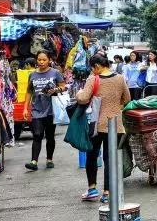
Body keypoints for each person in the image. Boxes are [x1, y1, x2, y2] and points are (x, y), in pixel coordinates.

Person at [76, 54, 131, 203]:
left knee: (92, 156)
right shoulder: (120, 78)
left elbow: (83, 98)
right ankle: (107, 192)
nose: (93, 71)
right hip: (116, 124)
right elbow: (127, 99)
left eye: (93, 68)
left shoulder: (93, 78)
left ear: (97, 66)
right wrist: (116, 107)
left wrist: (78, 93)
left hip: (97, 124)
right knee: (109, 159)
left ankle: (92, 189)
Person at [23, 51, 66, 171]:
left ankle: (49, 159)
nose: (41, 62)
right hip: (37, 109)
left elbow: (64, 86)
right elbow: (29, 92)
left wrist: (56, 89)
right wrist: (25, 108)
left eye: (44, 60)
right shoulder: (32, 75)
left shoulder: (55, 72)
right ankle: (34, 161)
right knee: (37, 134)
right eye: (39, 60)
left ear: (49, 60)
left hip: (51, 110)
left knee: (50, 136)